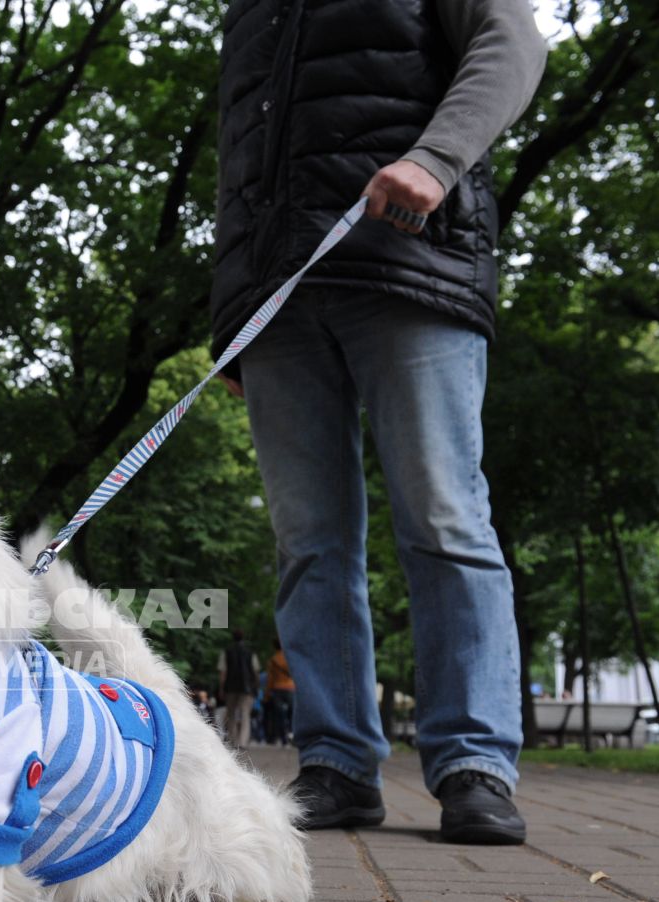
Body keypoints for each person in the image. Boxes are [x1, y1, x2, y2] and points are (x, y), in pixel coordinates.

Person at [211, 0, 545, 845]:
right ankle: (335, 761)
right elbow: (240, 164)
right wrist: (234, 325)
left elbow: (513, 44)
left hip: (412, 265)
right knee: (307, 540)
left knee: (443, 515)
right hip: (280, 301)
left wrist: (435, 159)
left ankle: (474, 764)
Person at [216, 629, 258, 750]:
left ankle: (233, 741)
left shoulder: (227, 652)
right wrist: (255, 687)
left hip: (231, 687)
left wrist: (222, 688)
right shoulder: (250, 653)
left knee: (231, 714)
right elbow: (255, 671)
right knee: (245, 714)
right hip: (247, 688)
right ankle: (243, 742)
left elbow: (223, 672)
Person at [266, 639, 295, 747]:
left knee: (279, 715)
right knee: (292, 714)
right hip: (290, 688)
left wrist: (267, 693)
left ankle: (283, 738)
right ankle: (292, 733)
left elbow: (270, 678)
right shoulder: (290, 658)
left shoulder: (273, 660)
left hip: (277, 689)